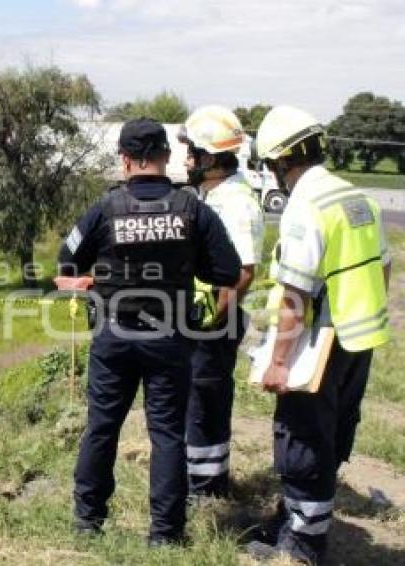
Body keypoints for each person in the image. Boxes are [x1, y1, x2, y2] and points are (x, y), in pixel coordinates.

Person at [56, 118, 241, 545]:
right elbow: (228, 271)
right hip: (170, 339)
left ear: (124, 159)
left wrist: (95, 277)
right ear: (164, 156)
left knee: (102, 426)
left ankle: (88, 522)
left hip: (114, 335)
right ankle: (165, 534)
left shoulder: (106, 208)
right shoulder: (193, 209)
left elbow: (67, 261)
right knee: (167, 434)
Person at [246, 106, 392, 565]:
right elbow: (384, 267)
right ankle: (293, 519)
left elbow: (295, 296)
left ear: (277, 163)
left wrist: (279, 361)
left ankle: (303, 545)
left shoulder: (305, 208)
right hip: (358, 336)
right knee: (333, 431)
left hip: (319, 343)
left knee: (302, 437)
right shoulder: (357, 197)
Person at [177, 106, 265, 497]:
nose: (186, 160)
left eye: (192, 153)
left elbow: (244, 272)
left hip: (214, 322)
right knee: (195, 402)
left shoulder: (234, 203)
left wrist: (210, 321)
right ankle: (198, 478)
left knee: (205, 405)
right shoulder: (214, 195)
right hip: (203, 318)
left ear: (210, 158)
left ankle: (207, 489)